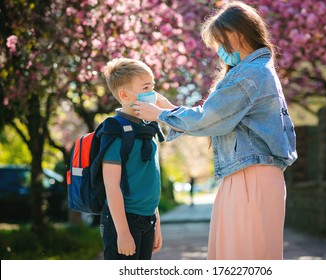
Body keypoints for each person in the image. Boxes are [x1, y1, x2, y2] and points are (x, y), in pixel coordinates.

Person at [133, 1, 297, 260]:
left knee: (242, 258)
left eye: (220, 41)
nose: (219, 50)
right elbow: (217, 117)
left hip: (251, 176)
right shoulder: (255, 71)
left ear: (237, 34)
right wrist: (169, 108)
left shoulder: (251, 74)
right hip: (248, 174)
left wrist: (163, 114)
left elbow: (210, 118)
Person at [101, 57, 163, 260]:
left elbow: (150, 178)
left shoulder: (148, 128)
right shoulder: (116, 132)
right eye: (146, 87)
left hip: (148, 220)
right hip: (124, 222)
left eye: (152, 86)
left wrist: (156, 223)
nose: (152, 94)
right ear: (124, 95)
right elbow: (111, 186)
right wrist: (123, 233)